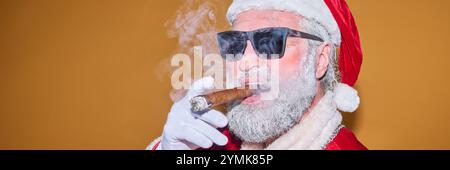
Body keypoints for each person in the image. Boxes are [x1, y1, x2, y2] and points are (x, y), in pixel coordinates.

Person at [148, 0, 366, 150]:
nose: (245, 62)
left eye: (270, 42)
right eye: (234, 44)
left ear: (320, 60)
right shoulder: (208, 143)